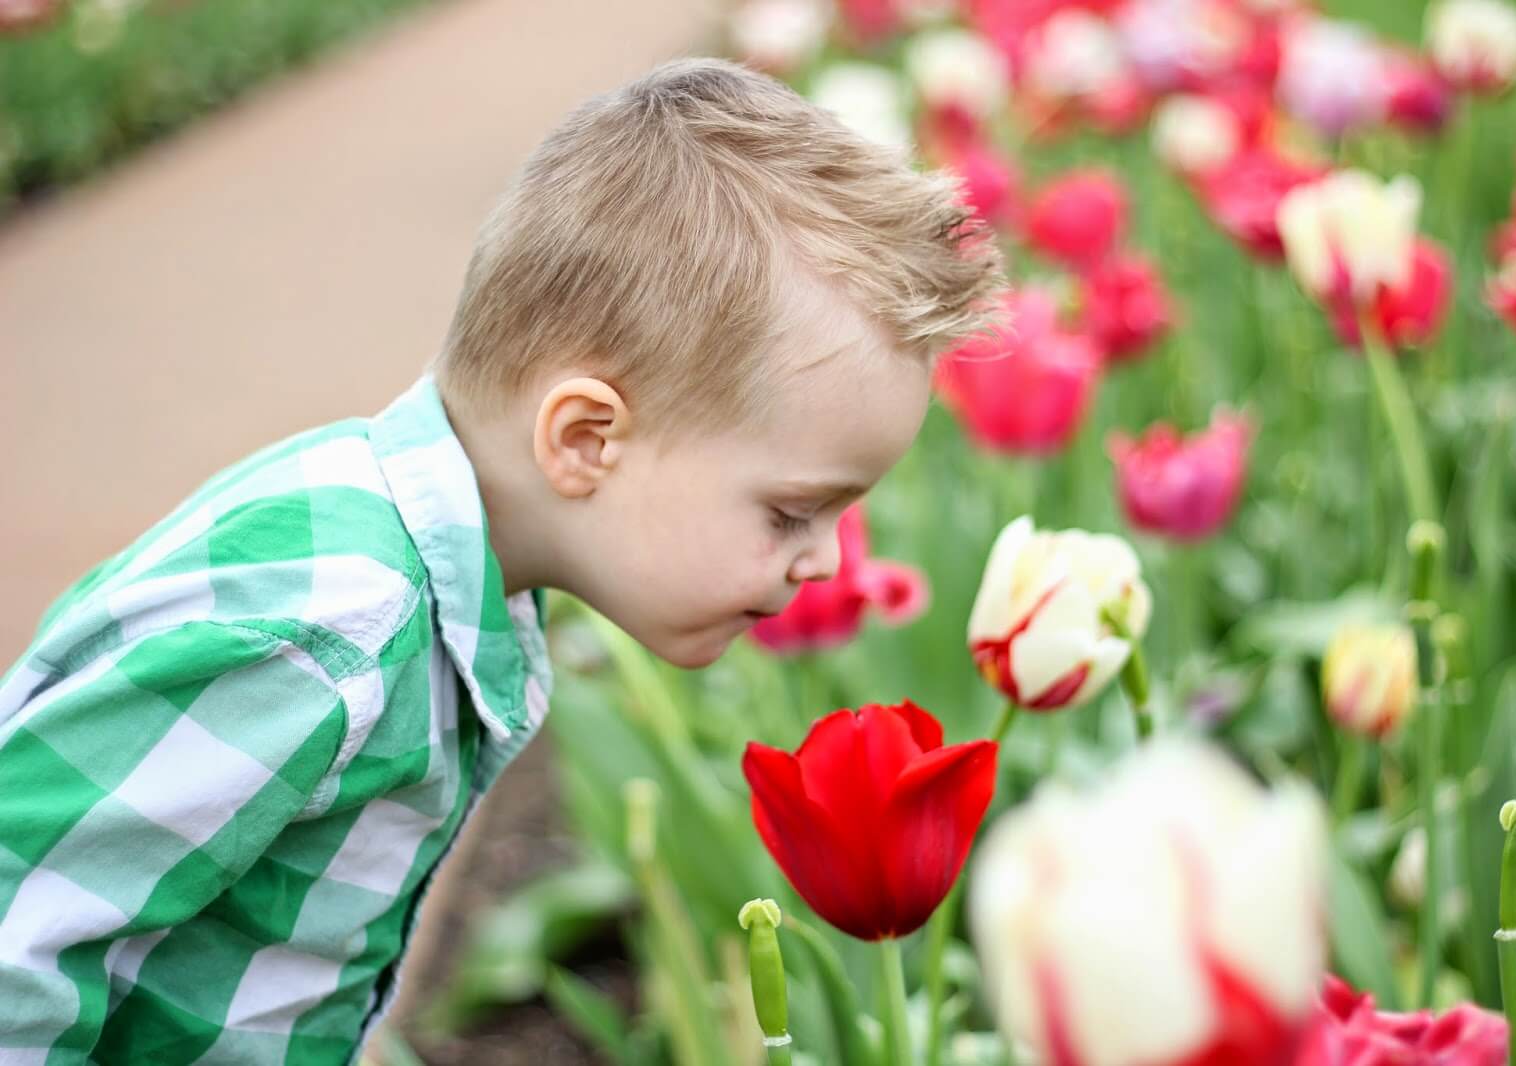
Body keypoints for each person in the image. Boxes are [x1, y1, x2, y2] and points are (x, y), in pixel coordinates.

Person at [0, 56, 1005, 1064]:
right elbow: (17, 927)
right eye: (791, 509)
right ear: (582, 440)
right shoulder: (329, 632)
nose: (823, 560)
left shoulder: (446, 587)